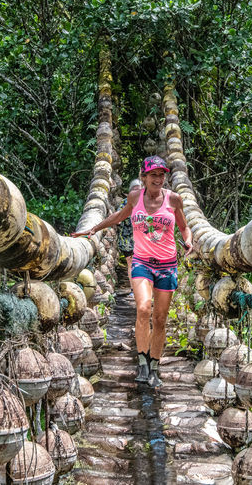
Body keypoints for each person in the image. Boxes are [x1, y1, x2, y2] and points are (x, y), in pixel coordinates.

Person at [72, 156, 193, 388]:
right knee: (143, 308)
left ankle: (155, 366)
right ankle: (142, 362)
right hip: (141, 262)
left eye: (161, 174)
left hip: (167, 266)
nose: (158, 179)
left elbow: (184, 227)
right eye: (153, 175)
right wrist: (94, 228)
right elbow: (120, 216)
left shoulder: (174, 199)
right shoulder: (135, 197)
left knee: (159, 319)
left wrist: (188, 242)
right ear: (144, 177)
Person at [116, 178, 143, 287]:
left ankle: (142, 288)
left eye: (139, 190)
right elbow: (118, 218)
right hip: (127, 239)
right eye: (135, 190)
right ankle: (134, 289)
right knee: (131, 263)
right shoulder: (125, 203)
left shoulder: (146, 202)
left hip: (142, 239)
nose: (137, 192)